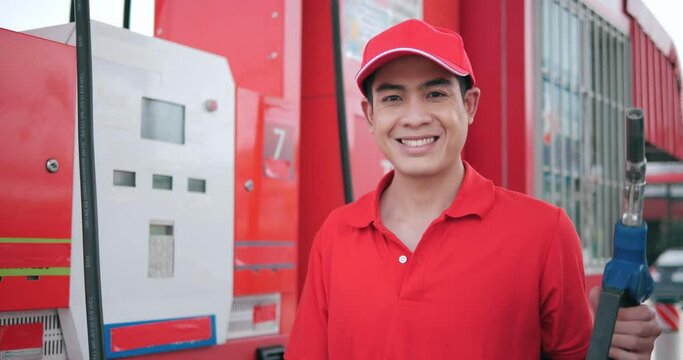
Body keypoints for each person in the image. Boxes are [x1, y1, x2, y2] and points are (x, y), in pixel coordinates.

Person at [286, 19, 660, 359]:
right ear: (371, 115)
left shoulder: (544, 233)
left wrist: (617, 347)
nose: (415, 117)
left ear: (469, 105)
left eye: (435, 94)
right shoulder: (336, 235)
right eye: (393, 98)